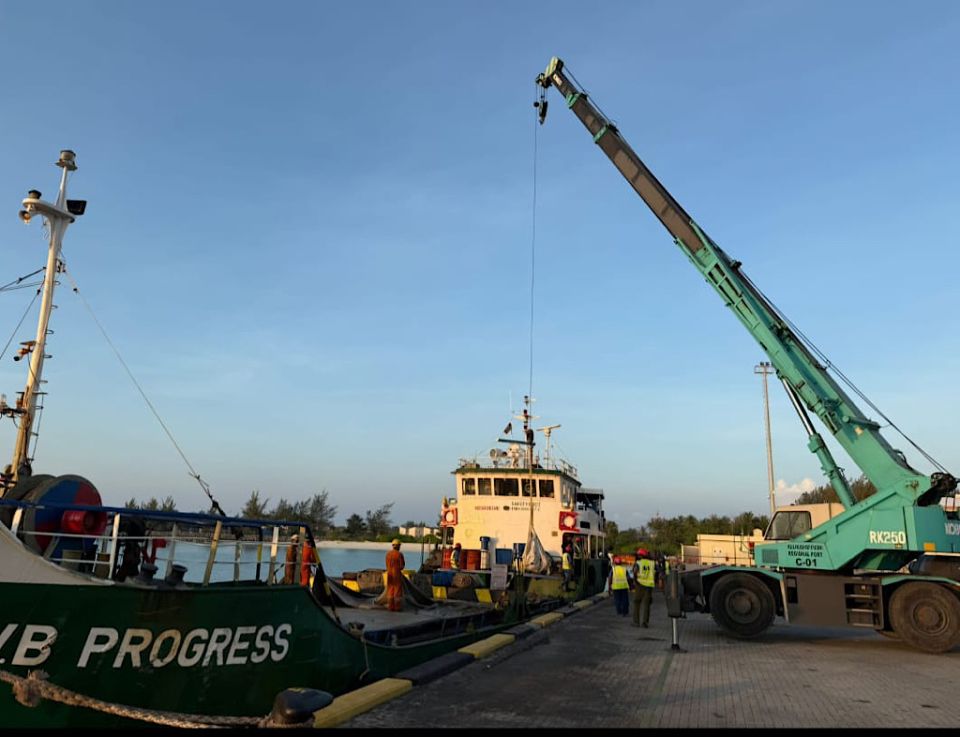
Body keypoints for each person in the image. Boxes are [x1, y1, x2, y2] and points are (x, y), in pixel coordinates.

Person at [632, 547, 656, 628]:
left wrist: (635, 581)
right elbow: (655, 573)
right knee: (646, 604)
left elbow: (635, 572)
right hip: (649, 586)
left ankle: (636, 622)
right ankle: (645, 622)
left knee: (637, 602)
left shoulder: (638, 563)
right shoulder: (652, 563)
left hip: (640, 585)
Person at [385, 538, 406, 612]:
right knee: (397, 591)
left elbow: (386, 565)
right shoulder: (399, 554)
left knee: (390, 590)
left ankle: (391, 607)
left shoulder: (388, 554)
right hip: (396, 575)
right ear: (398, 546)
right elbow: (402, 566)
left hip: (389, 574)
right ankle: (397, 608)